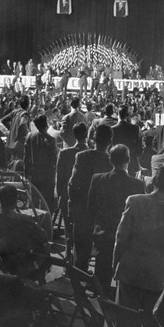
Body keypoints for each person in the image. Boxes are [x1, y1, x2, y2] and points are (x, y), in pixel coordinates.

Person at [113, 165, 164, 327]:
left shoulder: (134, 201)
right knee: (151, 320)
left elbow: (121, 237)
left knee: (125, 320)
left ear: (154, 181)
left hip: (130, 268)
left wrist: (116, 262)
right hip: (157, 274)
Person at [87, 144, 145, 295]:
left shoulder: (97, 179)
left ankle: (100, 301)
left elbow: (91, 208)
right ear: (128, 159)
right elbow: (139, 216)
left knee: (102, 273)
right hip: (127, 238)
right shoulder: (137, 185)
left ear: (110, 159)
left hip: (103, 234)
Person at [0, 185, 51, 281]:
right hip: (22, 265)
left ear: (0, 201)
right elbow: (43, 236)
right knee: (44, 248)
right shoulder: (26, 220)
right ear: (15, 202)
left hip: (0, 266)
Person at [68, 125, 113, 271]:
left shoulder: (82, 156)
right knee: (102, 255)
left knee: (80, 254)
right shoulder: (112, 161)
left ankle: (78, 285)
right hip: (102, 215)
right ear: (110, 141)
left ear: (93, 139)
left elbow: (73, 185)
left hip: (82, 210)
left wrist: (73, 206)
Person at [56, 122, 89, 259]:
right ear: (86, 135)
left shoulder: (64, 153)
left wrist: (60, 196)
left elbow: (60, 179)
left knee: (69, 231)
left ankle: (68, 258)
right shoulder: (91, 153)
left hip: (67, 196)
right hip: (85, 199)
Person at [24, 114, 58, 212]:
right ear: (46, 124)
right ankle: (45, 223)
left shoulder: (29, 136)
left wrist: (27, 174)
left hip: (33, 173)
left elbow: (26, 157)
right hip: (46, 176)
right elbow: (53, 161)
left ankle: (34, 221)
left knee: (33, 201)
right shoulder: (51, 140)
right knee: (46, 203)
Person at [111, 105, 143, 176]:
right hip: (131, 165)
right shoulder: (136, 129)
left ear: (117, 115)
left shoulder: (112, 129)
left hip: (115, 165)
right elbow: (139, 151)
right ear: (128, 116)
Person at [1, 94, 31, 160]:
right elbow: (22, 125)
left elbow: (3, 120)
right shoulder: (25, 114)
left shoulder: (15, 112)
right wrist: (29, 135)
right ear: (28, 104)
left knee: (12, 164)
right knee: (20, 165)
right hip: (20, 143)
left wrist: (11, 128)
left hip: (11, 142)